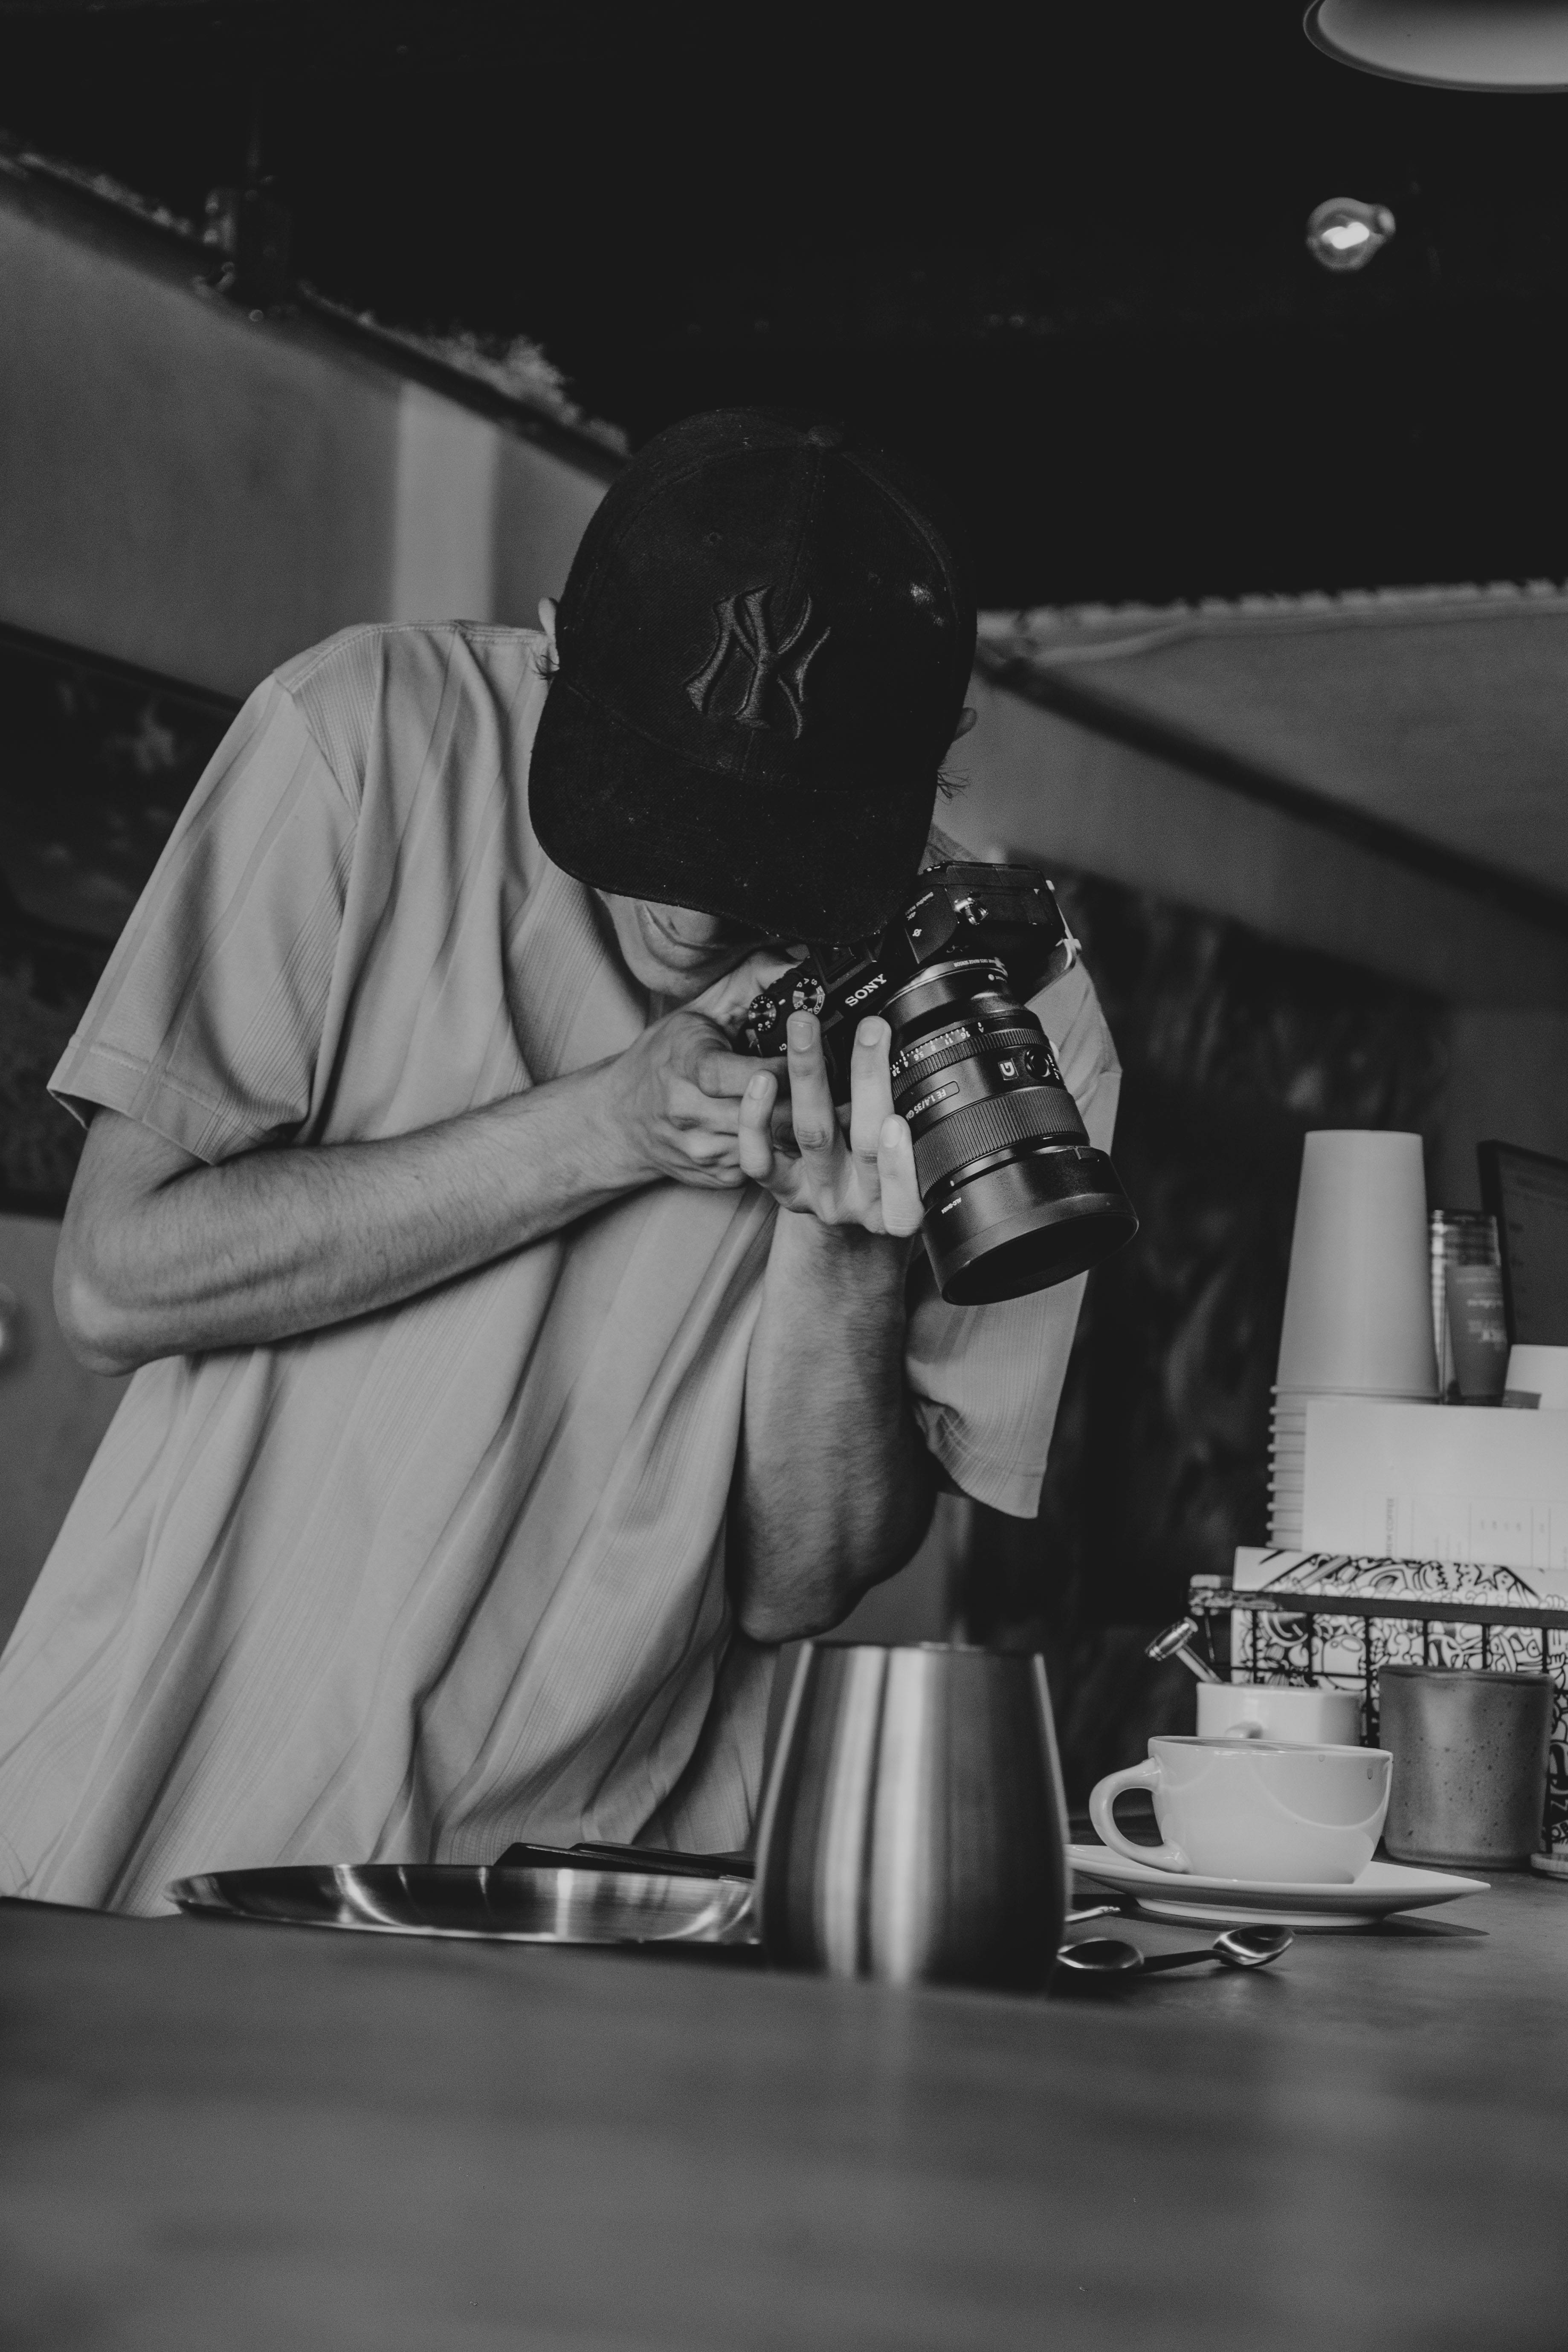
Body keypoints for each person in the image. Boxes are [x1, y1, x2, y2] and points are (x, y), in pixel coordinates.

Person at [0, 411, 1119, 1914]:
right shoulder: (364, 739)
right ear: (551, 656)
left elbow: (802, 1581)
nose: (700, 914)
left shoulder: (999, 1010)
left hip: (581, 1885)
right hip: (154, 1802)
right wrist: (600, 1127)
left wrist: (840, 1255)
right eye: (655, 821)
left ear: (920, 792)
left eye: (766, 864)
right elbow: (113, 1282)